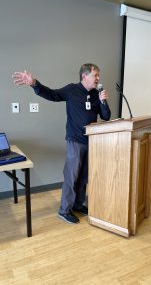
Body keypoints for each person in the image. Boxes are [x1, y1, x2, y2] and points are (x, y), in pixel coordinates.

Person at [12, 63, 111, 224]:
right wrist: (34, 83)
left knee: (84, 177)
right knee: (71, 177)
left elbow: (106, 116)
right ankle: (64, 210)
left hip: (91, 141)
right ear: (84, 76)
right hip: (75, 141)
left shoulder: (96, 94)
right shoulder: (71, 90)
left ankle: (78, 205)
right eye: (96, 75)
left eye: (98, 76)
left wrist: (103, 101)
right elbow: (52, 94)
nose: (98, 79)